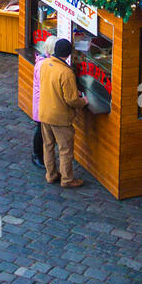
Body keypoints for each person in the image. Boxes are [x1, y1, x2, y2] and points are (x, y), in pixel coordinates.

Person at [38, 38, 88, 188]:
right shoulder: (66, 72)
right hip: (60, 118)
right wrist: (84, 101)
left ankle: (51, 175)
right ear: (68, 54)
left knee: (48, 145)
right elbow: (71, 100)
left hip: (44, 112)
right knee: (65, 150)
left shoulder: (45, 63)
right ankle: (67, 180)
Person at [31, 36, 57, 168]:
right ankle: (37, 155)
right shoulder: (44, 64)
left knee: (41, 129)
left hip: (42, 101)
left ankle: (39, 154)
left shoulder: (44, 61)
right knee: (40, 130)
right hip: (42, 102)